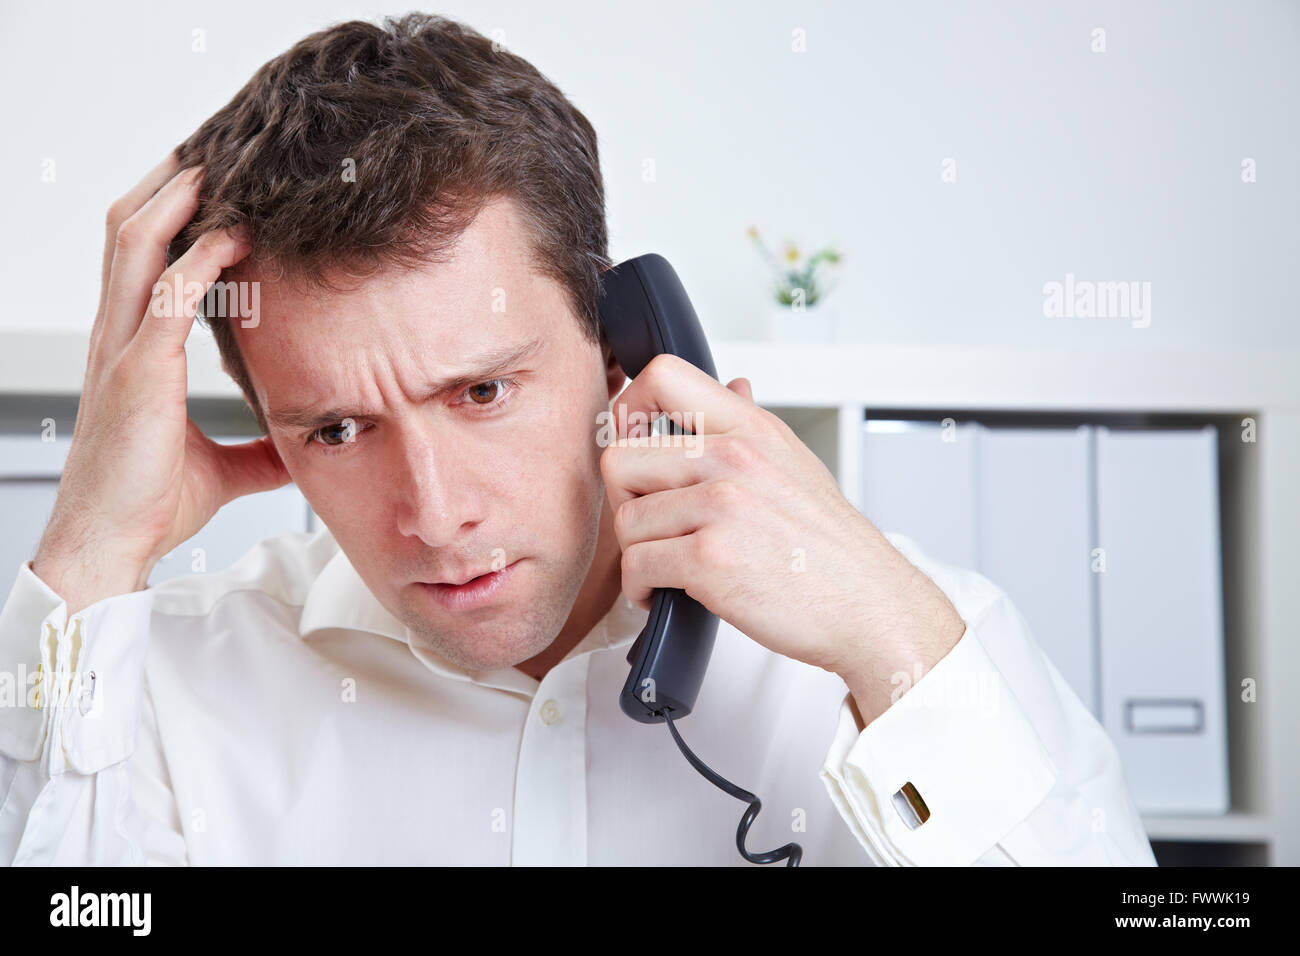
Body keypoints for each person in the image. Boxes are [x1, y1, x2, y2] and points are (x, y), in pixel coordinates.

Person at [0, 13, 1155, 865]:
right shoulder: (164, 690)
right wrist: (92, 544)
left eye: (483, 391)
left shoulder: (906, 650)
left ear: (622, 350)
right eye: (339, 427)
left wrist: (891, 640)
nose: (436, 514)